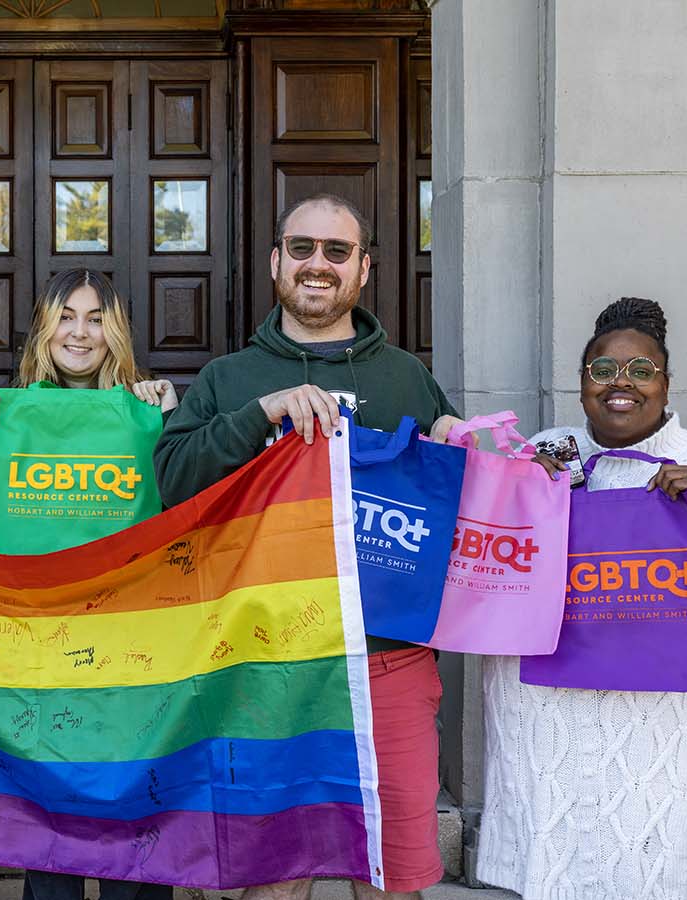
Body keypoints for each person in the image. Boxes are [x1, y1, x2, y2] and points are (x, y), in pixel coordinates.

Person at [153, 193, 463, 900]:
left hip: (388, 658)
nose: (316, 264)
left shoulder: (405, 376)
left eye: (336, 251)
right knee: (276, 877)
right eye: (301, 248)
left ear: (364, 269)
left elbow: (456, 495)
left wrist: (466, 443)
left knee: (392, 877)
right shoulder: (229, 378)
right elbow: (172, 483)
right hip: (264, 660)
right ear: (276, 261)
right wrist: (260, 412)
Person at [477, 297, 687, 900]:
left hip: (666, 750)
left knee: (659, 874)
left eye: (641, 371)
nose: (621, 385)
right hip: (551, 741)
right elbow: (492, 571)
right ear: (582, 384)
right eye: (603, 371)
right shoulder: (551, 453)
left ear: (666, 383)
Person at [0, 267, 176, 900]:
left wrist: (170, 415)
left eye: (94, 319)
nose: (78, 333)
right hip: (40, 641)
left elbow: (184, 509)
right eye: (65, 316)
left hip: (128, 645)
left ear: (114, 334)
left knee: (131, 808)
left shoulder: (150, 408)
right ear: (43, 329)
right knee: (50, 812)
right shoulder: (4, 413)